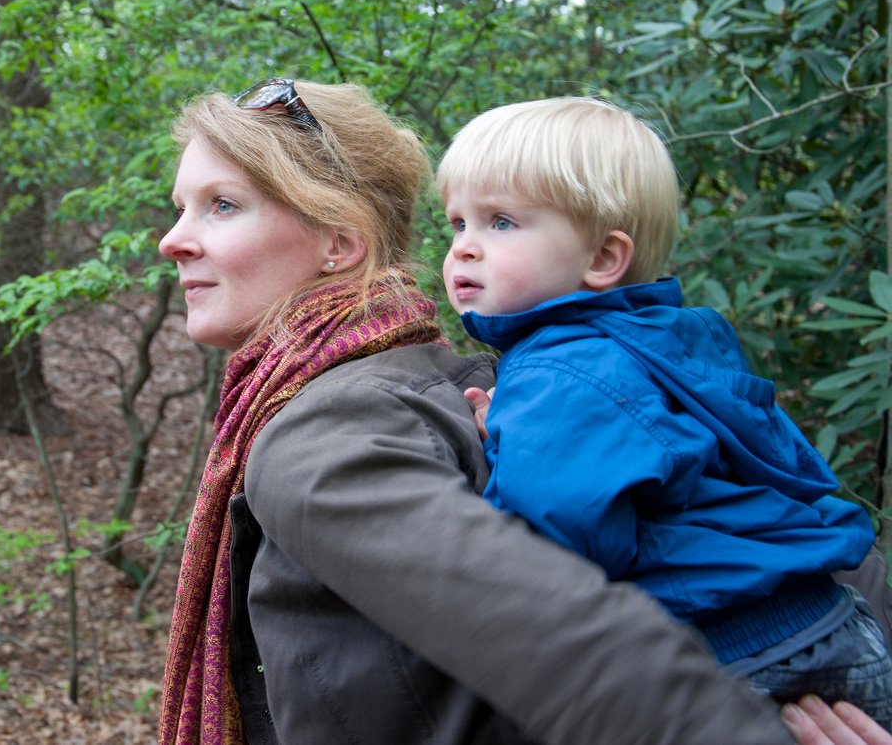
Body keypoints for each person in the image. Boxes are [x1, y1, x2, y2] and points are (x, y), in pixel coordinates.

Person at [153, 76, 890, 745]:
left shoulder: (331, 428)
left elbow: (572, 638)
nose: (172, 240)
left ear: (340, 243)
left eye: (222, 206)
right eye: (182, 208)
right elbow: (808, 521)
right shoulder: (501, 376)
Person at [437, 96, 892, 725]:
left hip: (743, 656)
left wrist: (508, 454)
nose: (464, 248)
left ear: (602, 258)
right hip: (834, 626)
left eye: (502, 222)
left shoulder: (559, 370)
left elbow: (558, 545)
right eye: (458, 223)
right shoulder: (666, 340)